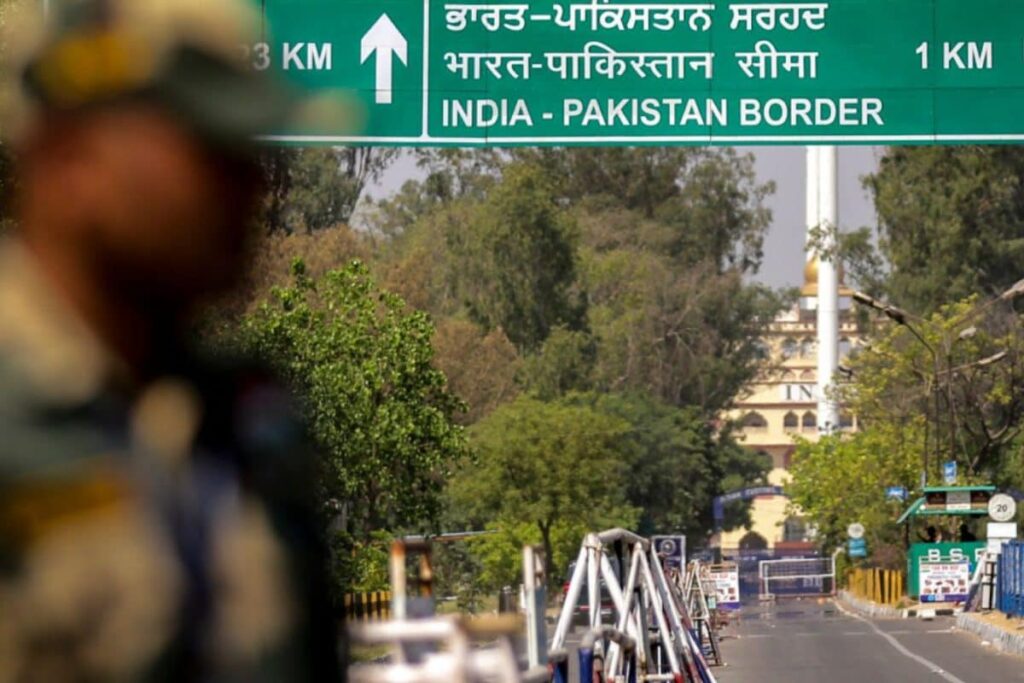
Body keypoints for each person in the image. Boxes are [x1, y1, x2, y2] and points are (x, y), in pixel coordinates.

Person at [0, 0, 341, 680]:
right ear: (71, 158)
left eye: (248, 153)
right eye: (208, 152)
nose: (249, 187)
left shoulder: (252, 420)